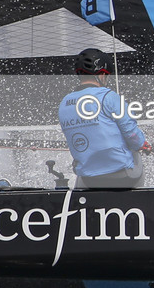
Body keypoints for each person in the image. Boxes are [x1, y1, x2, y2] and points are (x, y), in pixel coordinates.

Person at [58, 48, 149, 188]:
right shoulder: (108, 96)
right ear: (101, 74)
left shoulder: (64, 102)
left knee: (84, 170)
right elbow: (131, 134)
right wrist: (142, 144)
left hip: (89, 179)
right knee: (135, 153)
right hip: (122, 175)